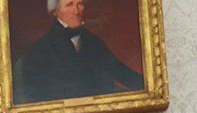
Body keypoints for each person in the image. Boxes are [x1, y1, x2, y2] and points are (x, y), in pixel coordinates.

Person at [15, 0, 144, 104]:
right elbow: (36, 98)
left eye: (80, 4)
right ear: (55, 12)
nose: (76, 11)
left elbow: (120, 71)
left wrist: (151, 86)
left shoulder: (93, 42)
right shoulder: (39, 51)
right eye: (69, 5)